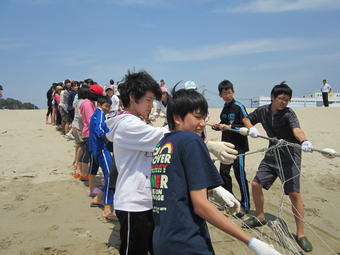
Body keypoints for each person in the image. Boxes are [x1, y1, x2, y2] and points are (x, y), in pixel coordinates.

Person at [106, 71, 238, 254]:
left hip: (151, 201)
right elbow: (164, 138)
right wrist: (204, 140)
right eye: (148, 100)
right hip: (133, 204)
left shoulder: (140, 124)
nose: (151, 106)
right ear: (133, 98)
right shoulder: (126, 125)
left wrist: (212, 186)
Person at [152, 88, 282, 255]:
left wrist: (213, 189)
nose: (202, 123)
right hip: (188, 242)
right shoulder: (191, 140)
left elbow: (176, 187)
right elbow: (200, 205)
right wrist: (251, 241)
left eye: (204, 117)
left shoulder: (161, 145)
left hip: (161, 240)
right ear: (177, 117)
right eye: (197, 117)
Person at [242, 82, 313, 253]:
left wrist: (304, 141)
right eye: (281, 99)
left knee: (294, 194)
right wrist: (251, 128)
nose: (283, 102)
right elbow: (247, 118)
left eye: (287, 100)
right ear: (273, 97)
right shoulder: (263, 110)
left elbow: (297, 130)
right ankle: (260, 217)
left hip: (290, 156)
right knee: (256, 184)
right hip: (272, 154)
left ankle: (301, 234)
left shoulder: (289, 114)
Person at [211, 80, 250, 218]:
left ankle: (246, 205)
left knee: (240, 175)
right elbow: (224, 125)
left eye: (229, 92)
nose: (227, 95)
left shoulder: (239, 106)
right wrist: (217, 126)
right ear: (220, 95)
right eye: (224, 93)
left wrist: (229, 127)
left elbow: (245, 125)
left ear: (233, 92)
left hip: (239, 148)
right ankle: (230, 200)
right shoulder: (224, 108)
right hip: (225, 146)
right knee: (223, 173)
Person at [87, 95, 115, 220]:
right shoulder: (99, 114)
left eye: (109, 107)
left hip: (96, 149)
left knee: (110, 176)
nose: (107, 109)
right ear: (100, 104)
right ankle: (107, 209)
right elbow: (98, 129)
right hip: (101, 149)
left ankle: (98, 198)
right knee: (110, 177)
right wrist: (108, 139)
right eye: (106, 106)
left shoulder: (96, 114)